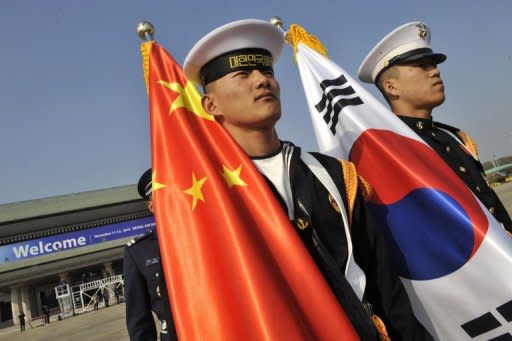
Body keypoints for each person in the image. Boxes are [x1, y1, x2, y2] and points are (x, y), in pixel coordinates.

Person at [182, 19, 433, 341]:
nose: (262, 81)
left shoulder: (333, 174)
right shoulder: (209, 195)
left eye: (268, 72)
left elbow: (383, 282)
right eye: (243, 75)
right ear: (210, 104)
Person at [358, 21, 512, 232]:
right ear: (391, 87)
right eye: (422, 66)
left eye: (434, 65)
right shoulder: (391, 153)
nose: (435, 72)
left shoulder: (453, 137)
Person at [123, 168, 177, 341]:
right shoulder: (138, 251)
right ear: (151, 207)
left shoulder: (206, 236)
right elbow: (139, 322)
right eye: (160, 197)